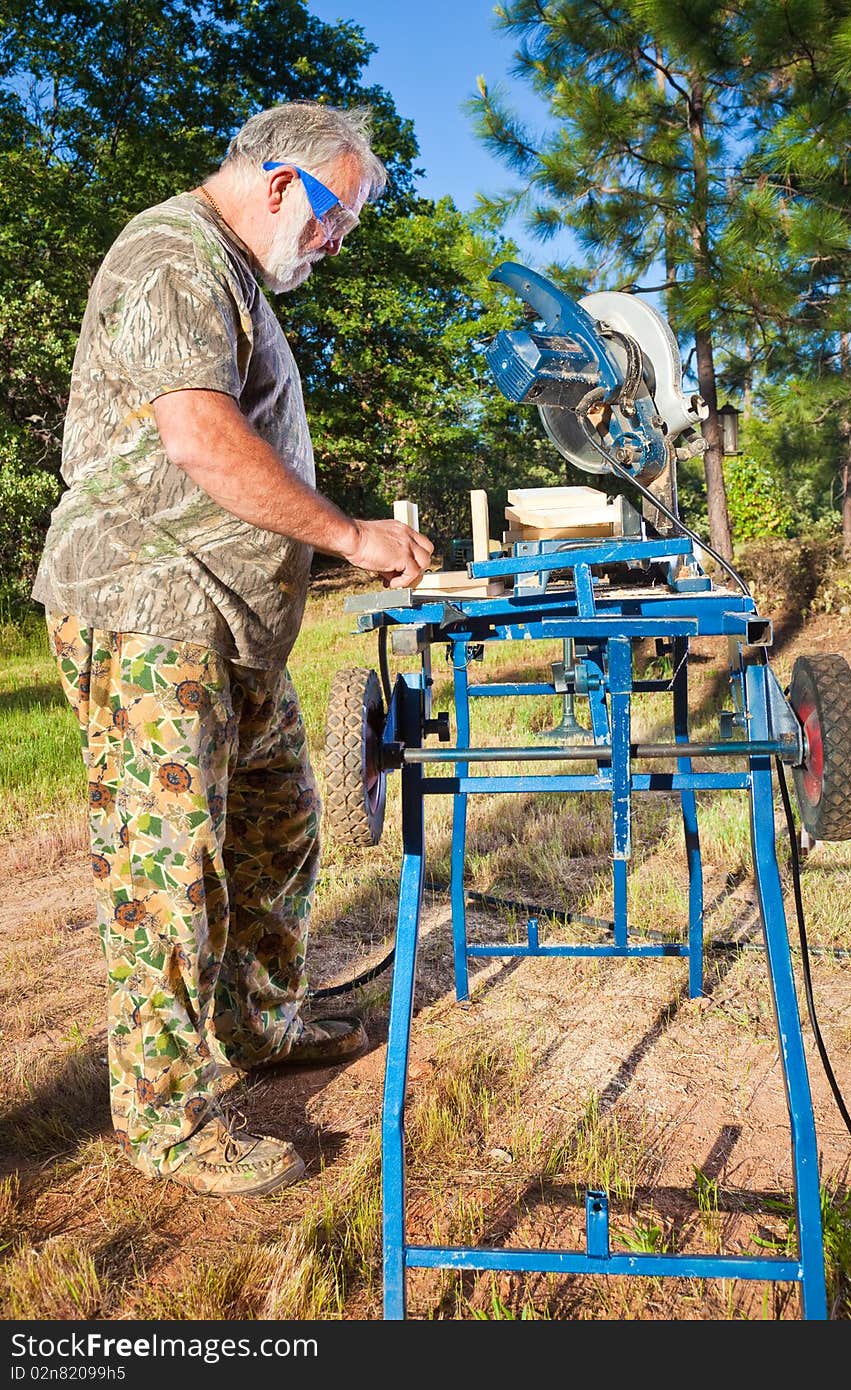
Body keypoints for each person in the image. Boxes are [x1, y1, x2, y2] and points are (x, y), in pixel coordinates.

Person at [31, 101, 434, 1197]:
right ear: (278, 182)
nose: (337, 240)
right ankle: (165, 1121)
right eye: (336, 214)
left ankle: (257, 1025)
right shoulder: (171, 253)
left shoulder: (236, 273)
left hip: (231, 626)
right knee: (172, 869)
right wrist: (349, 534)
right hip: (150, 606)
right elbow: (201, 436)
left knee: (279, 826)